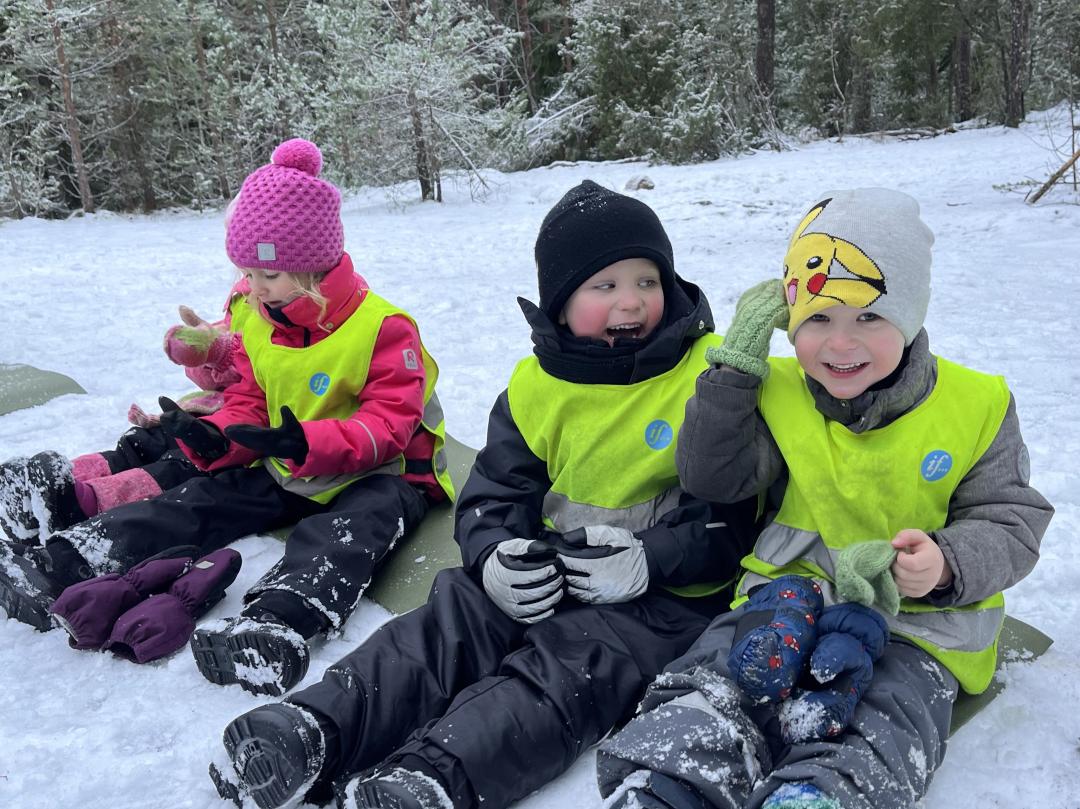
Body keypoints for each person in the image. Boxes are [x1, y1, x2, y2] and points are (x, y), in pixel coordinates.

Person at [207, 180, 759, 809]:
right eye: (604, 286)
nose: (630, 302)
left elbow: (736, 517)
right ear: (561, 300)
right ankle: (318, 728)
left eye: (647, 281)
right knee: (449, 620)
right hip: (549, 568)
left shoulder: (711, 379)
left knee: (566, 676)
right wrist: (494, 552)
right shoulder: (534, 385)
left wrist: (650, 559)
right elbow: (494, 491)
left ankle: (437, 777)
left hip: (658, 602)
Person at [594, 188, 1055, 809]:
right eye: (817, 319)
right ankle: (665, 782)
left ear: (910, 315)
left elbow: (1011, 518)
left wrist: (947, 563)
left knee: (884, 715)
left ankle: (822, 794)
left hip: (916, 622)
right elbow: (713, 477)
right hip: (788, 590)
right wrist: (733, 372)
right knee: (722, 676)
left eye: (869, 317)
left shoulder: (977, 405)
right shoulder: (780, 391)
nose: (840, 345)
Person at [0, 138, 454, 699]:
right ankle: (64, 561)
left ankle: (277, 624)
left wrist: (303, 441)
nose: (253, 288)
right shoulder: (260, 313)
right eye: (247, 272)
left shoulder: (384, 328)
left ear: (313, 266)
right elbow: (251, 399)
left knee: (343, 534)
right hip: (291, 460)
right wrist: (217, 439)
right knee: (198, 502)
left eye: (268, 275)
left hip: (383, 473)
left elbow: (390, 425)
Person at [0, 299, 244, 541]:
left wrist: (225, 355)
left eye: (268, 276)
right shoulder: (247, 302)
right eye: (251, 276)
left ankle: (84, 504)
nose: (259, 285)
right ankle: (43, 491)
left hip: (239, 431)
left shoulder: (274, 315)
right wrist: (207, 353)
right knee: (141, 443)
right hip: (211, 410)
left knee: (179, 467)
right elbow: (205, 376)